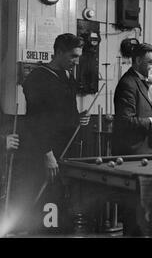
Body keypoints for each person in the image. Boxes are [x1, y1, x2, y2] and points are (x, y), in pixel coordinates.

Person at [12, 33, 90, 234]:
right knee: (46, 200)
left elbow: (64, 113)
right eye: (73, 56)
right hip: (44, 153)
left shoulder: (67, 76)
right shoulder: (37, 78)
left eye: (78, 56)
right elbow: (34, 122)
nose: (76, 61)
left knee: (59, 200)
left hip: (64, 150)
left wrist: (78, 118)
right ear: (58, 52)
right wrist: (47, 155)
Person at [112, 39, 152, 236]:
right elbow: (125, 121)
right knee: (134, 214)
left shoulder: (141, 82)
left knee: (143, 213)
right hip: (133, 155)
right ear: (136, 61)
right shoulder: (128, 84)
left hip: (144, 155)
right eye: (150, 62)